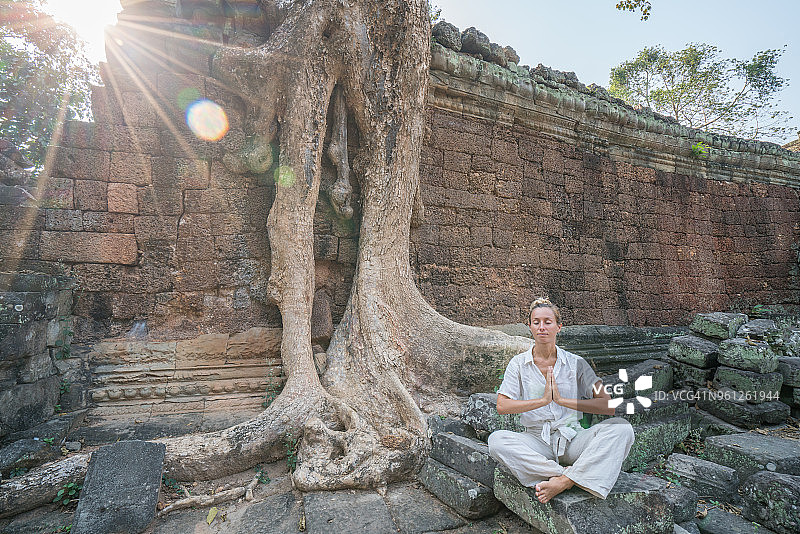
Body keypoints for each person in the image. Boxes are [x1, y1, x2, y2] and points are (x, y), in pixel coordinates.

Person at [487, 298, 635, 504]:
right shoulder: (518, 364)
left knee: (622, 429)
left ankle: (563, 482)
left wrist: (564, 401)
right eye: (536, 322)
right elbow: (503, 406)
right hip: (537, 441)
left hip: (573, 438)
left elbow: (607, 405)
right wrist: (543, 400)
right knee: (496, 441)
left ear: (559, 327)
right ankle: (569, 475)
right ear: (529, 326)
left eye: (548, 322)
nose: (542, 327)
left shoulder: (576, 363)